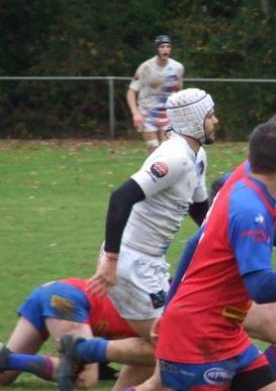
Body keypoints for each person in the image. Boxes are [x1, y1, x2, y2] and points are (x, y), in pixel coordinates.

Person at [133, 121, 276, 391]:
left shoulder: (247, 189)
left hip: (227, 331)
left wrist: (169, 308)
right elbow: (261, 288)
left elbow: (195, 244)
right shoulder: (251, 210)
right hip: (199, 337)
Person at [57, 88, 218, 391]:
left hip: (150, 261)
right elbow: (121, 197)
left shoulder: (197, 154)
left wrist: (221, 238)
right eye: (209, 116)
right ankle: (82, 349)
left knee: (159, 344)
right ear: (194, 121)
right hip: (132, 263)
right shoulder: (174, 158)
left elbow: (199, 208)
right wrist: (112, 261)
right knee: (171, 349)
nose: (215, 121)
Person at [0, 278, 150, 388]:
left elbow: (113, 345)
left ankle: (9, 359)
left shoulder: (153, 294)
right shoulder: (160, 318)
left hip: (52, 290)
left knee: (4, 377)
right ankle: (7, 359)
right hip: (65, 301)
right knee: (84, 377)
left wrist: (107, 371)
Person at [126, 35, 185, 153]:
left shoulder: (177, 67)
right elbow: (131, 91)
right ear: (156, 49)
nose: (165, 50)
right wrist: (135, 113)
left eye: (168, 46)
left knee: (166, 151)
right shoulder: (146, 67)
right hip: (148, 113)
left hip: (167, 114)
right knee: (153, 150)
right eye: (162, 47)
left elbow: (179, 90)